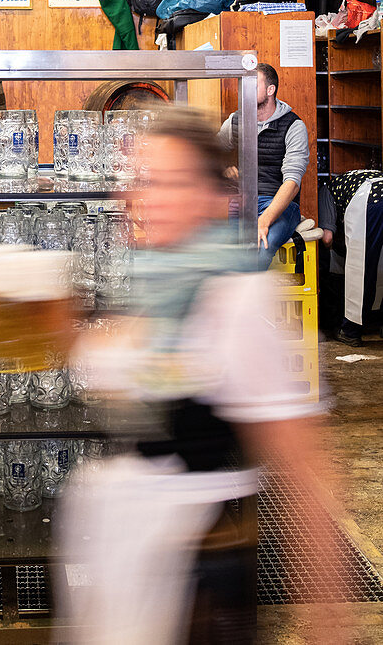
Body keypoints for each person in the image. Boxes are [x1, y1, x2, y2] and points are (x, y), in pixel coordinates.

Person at [53, 107, 342, 645]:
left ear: (216, 198)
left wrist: (328, 620)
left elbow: (304, 467)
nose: (147, 196)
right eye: (143, 180)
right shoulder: (155, 281)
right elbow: (133, 375)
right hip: (126, 552)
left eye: (170, 181)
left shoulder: (238, 296)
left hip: (191, 569)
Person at [218, 62, 309, 268]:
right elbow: (211, 154)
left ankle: (242, 298)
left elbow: (292, 183)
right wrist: (224, 169)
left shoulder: (293, 126)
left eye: (253, 84)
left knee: (260, 248)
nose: (245, 90)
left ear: (270, 90)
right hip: (242, 203)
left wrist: (264, 220)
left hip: (279, 206)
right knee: (226, 255)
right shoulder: (235, 121)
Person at [319, 170, 383, 345]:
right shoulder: (360, 175)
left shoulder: (326, 189)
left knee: (360, 268)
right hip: (377, 192)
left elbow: (327, 238)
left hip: (369, 199)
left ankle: (350, 330)